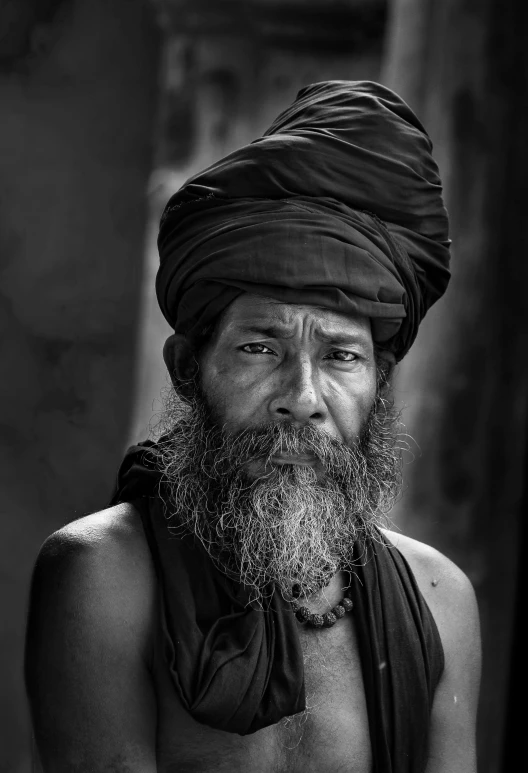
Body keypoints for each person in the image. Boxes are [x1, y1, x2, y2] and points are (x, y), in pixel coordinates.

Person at [25, 81, 481, 773]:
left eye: (342, 357)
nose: (302, 397)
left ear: (380, 385)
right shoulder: (105, 576)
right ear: (187, 366)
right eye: (260, 348)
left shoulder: (439, 599)